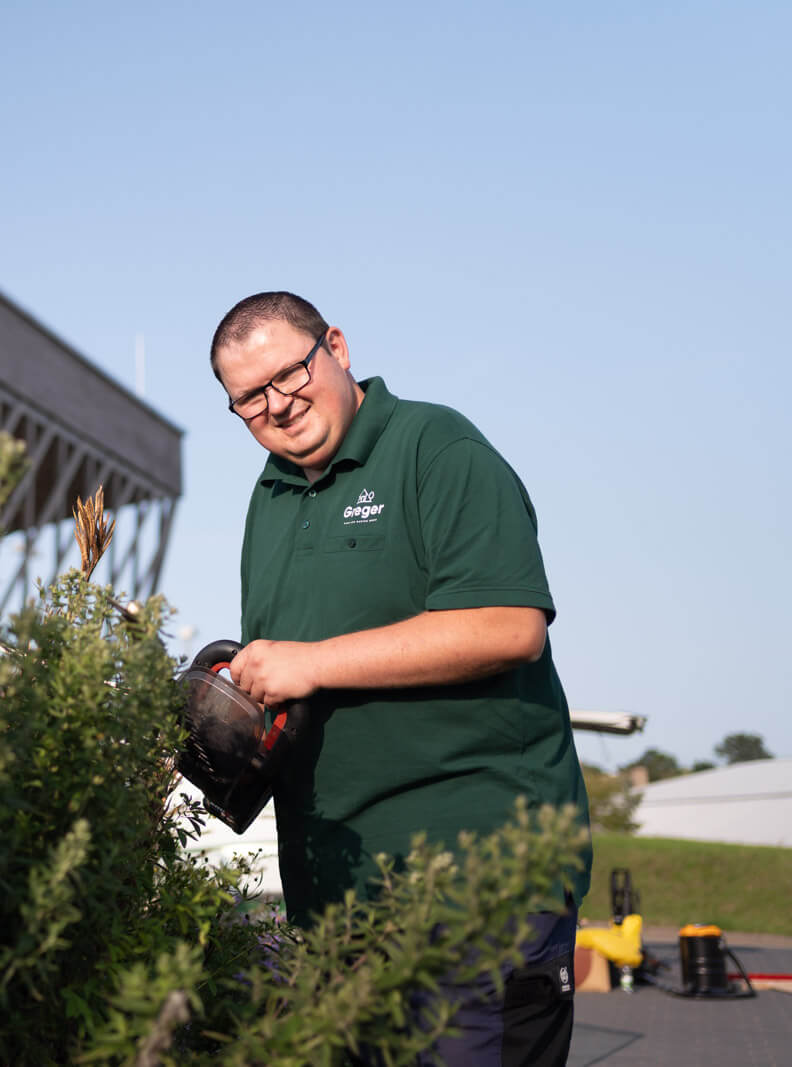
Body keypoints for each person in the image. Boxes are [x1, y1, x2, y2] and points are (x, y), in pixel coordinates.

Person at [209, 291, 591, 1065]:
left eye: (290, 373)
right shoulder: (270, 497)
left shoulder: (434, 447)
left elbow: (510, 623)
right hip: (340, 917)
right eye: (251, 398)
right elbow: (291, 686)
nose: (279, 406)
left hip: (473, 891)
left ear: (337, 349)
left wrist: (307, 662)